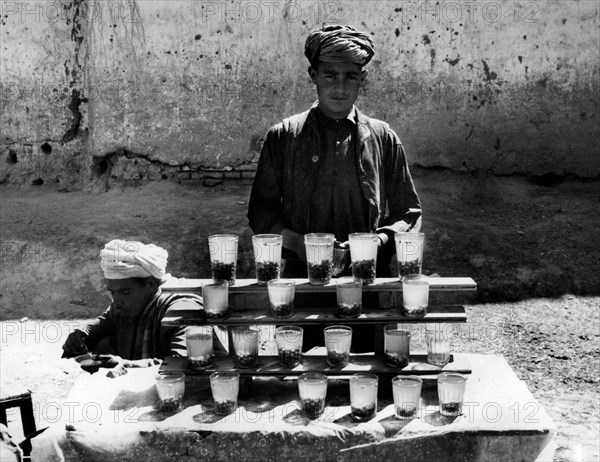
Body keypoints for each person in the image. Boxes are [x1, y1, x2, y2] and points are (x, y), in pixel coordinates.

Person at [247, 25, 422, 352]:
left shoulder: (383, 138)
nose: (340, 87)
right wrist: (300, 246)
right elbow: (261, 212)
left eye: (350, 77)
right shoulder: (283, 137)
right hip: (301, 285)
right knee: (304, 381)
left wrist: (376, 243)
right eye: (330, 76)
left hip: (369, 281)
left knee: (372, 379)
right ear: (313, 75)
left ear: (363, 79)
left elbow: (409, 214)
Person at [61, 239, 211, 375]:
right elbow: (102, 323)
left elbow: (185, 364)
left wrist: (130, 365)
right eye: (113, 292)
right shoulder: (124, 304)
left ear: (150, 284)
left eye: (125, 292)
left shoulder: (182, 308)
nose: (116, 301)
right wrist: (82, 335)